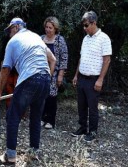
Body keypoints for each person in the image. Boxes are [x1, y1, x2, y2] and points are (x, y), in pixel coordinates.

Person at [0, 18, 56, 164]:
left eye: (10, 30)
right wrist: (46, 79)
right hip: (45, 78)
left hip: (29, 78)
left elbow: (5, 68)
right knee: (35, 117)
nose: (9, 34)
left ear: (16, 27)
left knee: (12, 116)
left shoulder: (13, 42)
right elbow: (53, 60)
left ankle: (10, 156)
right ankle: (34, 152)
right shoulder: (36, 37)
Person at [71, 11, 112, 142]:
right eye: (83, 25)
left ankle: (92, 132)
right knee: (81, 105)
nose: (84, 28)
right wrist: (76, 75)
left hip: (93, 79)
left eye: (86, 25)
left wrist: (100, 79)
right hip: (82, 77)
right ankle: (82, 127)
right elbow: (81, 58)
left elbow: (107, 60)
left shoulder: (104, 38)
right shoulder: (85, 38)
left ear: (94, 23)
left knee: (92, 107)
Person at [40, 16, 68, 129]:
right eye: (46, 27)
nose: (48, 29)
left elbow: (64, 58)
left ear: (55, 28)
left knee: (51, 97)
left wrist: (60, 75)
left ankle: (51, 120)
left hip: (55, 73)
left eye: (50, 27)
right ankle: (42, 118)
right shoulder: (41, 38)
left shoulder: (60, 40)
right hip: (42, 71)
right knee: (41, 96)